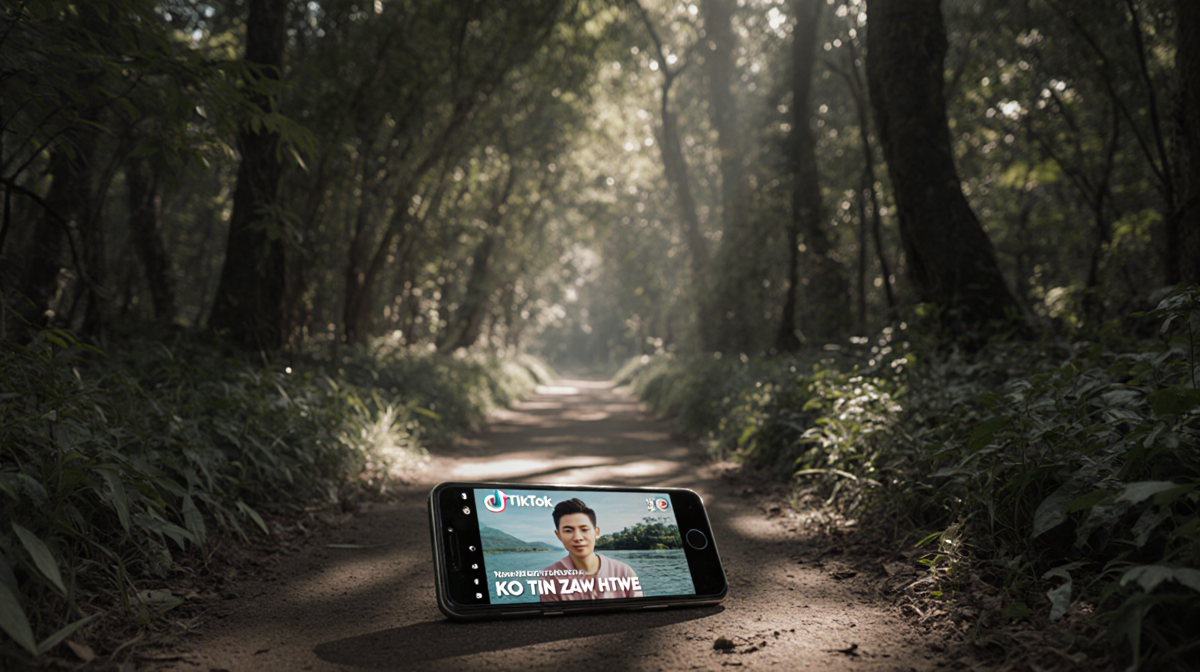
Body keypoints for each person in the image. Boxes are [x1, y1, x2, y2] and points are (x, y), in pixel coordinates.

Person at [539, 498, 643, 601]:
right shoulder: (550, 576)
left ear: (596, 532)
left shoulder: (623, 571)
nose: (577, 538)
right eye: (568, 531)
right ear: (559, 535)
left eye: (584, 530)